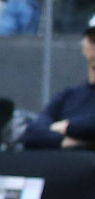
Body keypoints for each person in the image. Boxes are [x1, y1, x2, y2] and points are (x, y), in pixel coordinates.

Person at [20, 17, 95, 148]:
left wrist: (65, 126)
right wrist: (71, 142)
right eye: (93, 40)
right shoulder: (68, 96)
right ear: (84, 46)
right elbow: (32, 133)